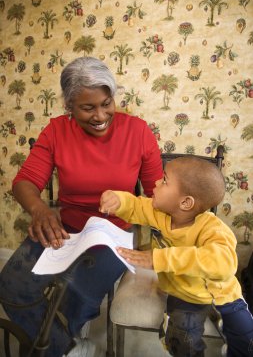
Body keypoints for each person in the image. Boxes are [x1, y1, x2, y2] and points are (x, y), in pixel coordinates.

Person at [0, 56, 163, 357]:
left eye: (106, 103)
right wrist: (39, 209)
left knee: (74, 294)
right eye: (88, 107)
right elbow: (24, 182)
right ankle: (68, 347)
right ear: (69, 107)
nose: (100, 115)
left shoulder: (138, 132)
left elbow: (158, 196)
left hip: (114, 235)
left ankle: (51, 346)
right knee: (11, 285)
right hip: (64, 228)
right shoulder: (56, 131)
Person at [100, 156, 253, 357]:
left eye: (164, 180)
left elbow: (224, 264)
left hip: (224, 295)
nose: (155, 182)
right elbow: (136, 205)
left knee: (246, 338)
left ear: (186, 202)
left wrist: (159, 259)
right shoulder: (158, 211)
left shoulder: (213, 228)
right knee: (182, 339)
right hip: (185, 294)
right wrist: (118, 200)